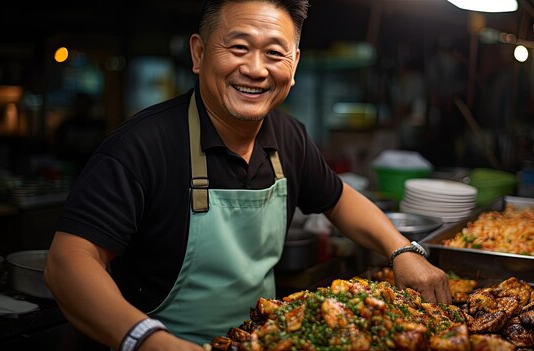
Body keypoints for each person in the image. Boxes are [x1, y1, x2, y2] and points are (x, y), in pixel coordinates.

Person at [44, 1, 451, 350]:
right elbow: (69, 261)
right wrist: (146, 338)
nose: (256, 69)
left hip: (261, 338)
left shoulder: (289, 137)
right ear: (199, 53)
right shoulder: (140, 146)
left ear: (294, 65)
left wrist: (402, 251)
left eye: (274, 53)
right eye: (238, 47)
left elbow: (338, 199)